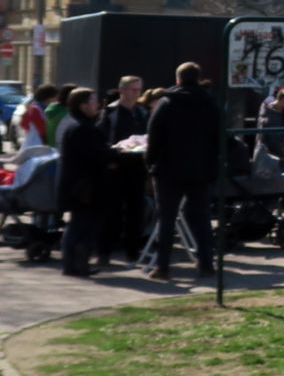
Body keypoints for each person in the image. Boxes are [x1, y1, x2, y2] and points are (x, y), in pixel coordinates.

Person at [145, 62, 220, 281]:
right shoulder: (209, 103)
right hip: (201, 169)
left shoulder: (167, 103)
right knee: (202, 217)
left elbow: (154, 136)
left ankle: (162, 266)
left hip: (169, 169)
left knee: (166, 218)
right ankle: (206, 263)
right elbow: (219, 136)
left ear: (178, 78)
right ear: (198, 78)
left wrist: (151, 164)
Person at [57, 88, 110, 277]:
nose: (98, 105)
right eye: (94, 101)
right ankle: (74, 265)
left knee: (82, 225)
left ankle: (78, 263)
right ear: (83, 105)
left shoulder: (80, 125)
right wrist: (115, 153)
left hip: (80, 185)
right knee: (81, 225)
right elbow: (96, 155)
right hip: (83, 187)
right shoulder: (82, 128)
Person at [98, 76, 150, 267]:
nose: (137, 94)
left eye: (139, 90)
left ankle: (132, 250)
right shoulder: (110, 112)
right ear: (122, 90)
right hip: (116, 167)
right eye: (133, 90)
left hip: (137, 165)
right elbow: (102, 138)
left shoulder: (141, 112)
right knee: (111, 211)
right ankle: (105, 251)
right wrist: (111, 157)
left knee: (136, 210)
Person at [14, 84, 53, 151]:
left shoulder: (34, 107)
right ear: (49, 97)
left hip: (31, 143)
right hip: (36, 144)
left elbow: (23, 123)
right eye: (55, 97)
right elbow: (41, 128)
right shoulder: (36, 109)